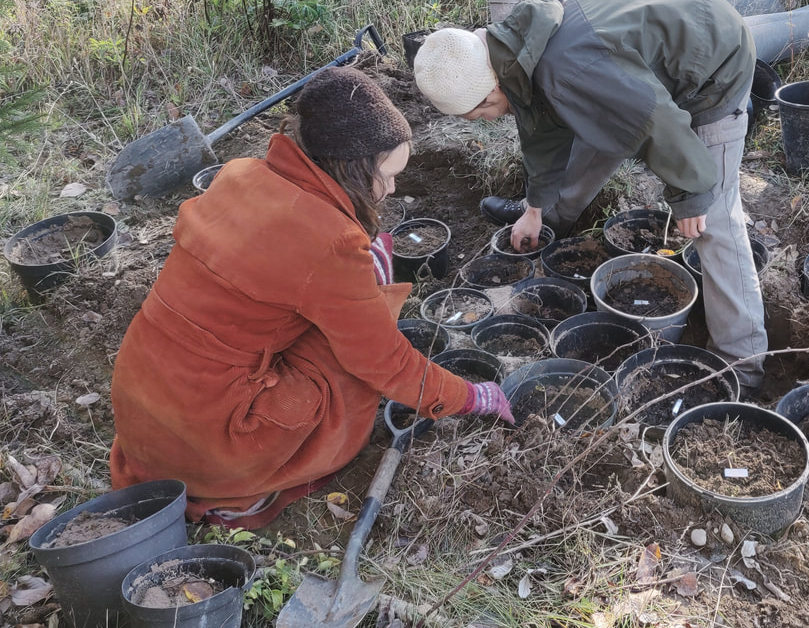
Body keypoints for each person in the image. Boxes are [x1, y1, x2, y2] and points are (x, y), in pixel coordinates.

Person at [109, 64, 514, 529]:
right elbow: (384, 362)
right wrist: (467, 397)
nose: (394, 187)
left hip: (143, 404)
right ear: (351, 167)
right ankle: (235, 491)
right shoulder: (330, 242)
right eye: (388, 174)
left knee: (344, 315)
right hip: (210, 438)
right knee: (351, 365)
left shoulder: (238, 175)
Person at [413, 0, 766, 391]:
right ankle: (558, 220)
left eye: (483, 113)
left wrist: (692, 195)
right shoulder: (516, 52)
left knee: (715, 222)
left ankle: (742, 364)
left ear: (490, 89)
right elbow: (544, 132)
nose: (489, 121)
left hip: (712, 65)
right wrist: (535, 209)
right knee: (596, 124)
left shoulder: (570, 69)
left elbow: (655, 119)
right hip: (646, 64)